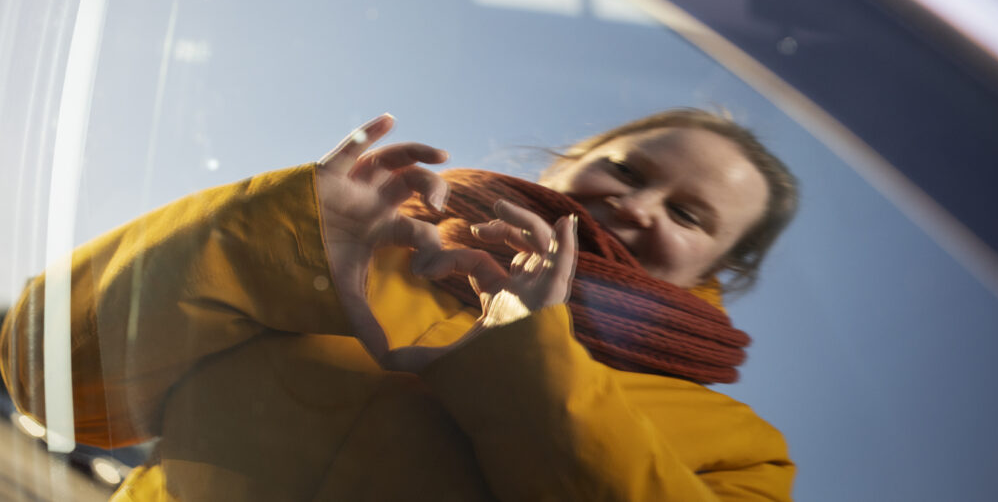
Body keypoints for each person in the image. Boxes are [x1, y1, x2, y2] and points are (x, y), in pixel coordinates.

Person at [0, 109, 798, 501]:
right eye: (625, 169)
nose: (639, 206)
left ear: (727, 266)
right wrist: (265, 237)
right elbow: (55, 381)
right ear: (568, 165)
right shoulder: (354, 240)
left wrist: (524, 352)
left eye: (690, 215)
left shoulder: (743, 450)